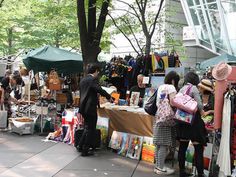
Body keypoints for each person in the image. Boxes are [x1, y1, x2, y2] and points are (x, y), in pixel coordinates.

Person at [177, 72, 209, 177]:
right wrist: (202, 111)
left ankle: (182, 172)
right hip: (194, 122)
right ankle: (200, 173)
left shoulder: (182, 88)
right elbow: (199, 104)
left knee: (182, 147)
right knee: (198, 149)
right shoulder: (194, 88)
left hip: (182, 121)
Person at [78, 63, 114, 156]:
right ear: (96, 71)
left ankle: (80, 146)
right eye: (98, 72)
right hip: (90, 108)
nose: (98, 74)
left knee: (87, 127)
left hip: (83, 107)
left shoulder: (83, 80)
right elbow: (99, 89)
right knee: (91, 129)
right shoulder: (93, 79)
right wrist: (109, 97)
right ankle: (85, 150)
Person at [153, 71, 180, 175]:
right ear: (173, 80)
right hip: (167, 118)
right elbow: (173, 102)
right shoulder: (171, 87)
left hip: (159, 116)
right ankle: (160, 168)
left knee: (158, 144)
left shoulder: (161, 87)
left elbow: (157, 102)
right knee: (164, 144)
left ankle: (157, 166)